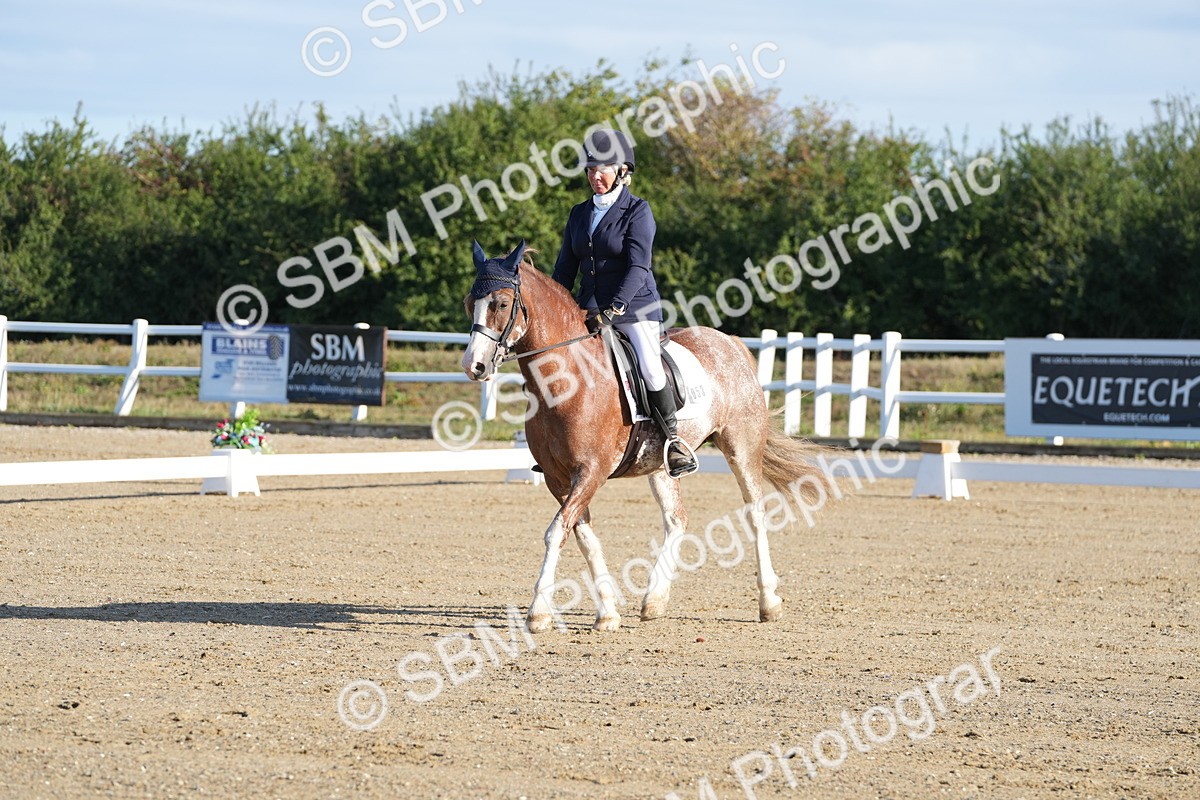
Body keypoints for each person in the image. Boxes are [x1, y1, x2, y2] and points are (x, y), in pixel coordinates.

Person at [551, 129, 698, 478]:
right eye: (590, 170)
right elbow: (564, 269)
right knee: (557, 364)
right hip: (588, 308)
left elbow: (638, 266)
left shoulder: (637, 211)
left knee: (649, 366)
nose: (595, 176)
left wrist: (614, 309)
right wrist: (555, 307)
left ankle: (673, 441)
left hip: (633, 307)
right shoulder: (579, 213)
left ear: (622, 170)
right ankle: (554, 443)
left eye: (602, 169)